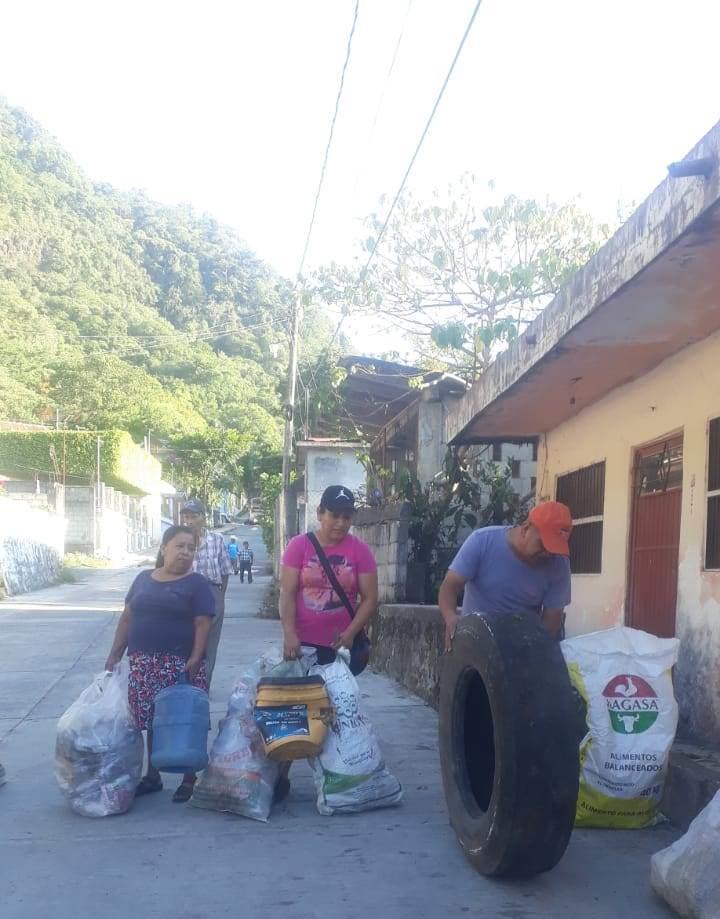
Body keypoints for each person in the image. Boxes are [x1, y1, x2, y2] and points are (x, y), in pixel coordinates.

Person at [277, 485, 378, 801]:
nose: (340, 523)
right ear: (320, 514)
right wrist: (289, 633)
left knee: (335, 713)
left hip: (339, 652)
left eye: (347, 517)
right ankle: (281, 777)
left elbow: (370, 598)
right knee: (295, 712)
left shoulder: (359, 551)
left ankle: (339, 775)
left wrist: (349, 634)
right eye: (334, 515)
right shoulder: (299, 546)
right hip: (302, 646)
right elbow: (287, 593)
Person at [104, 525, 215, 803]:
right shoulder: (143, 579)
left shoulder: (197, 584)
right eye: (180, 546)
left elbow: (203, 623)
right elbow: (127, 617)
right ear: (164, 547)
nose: (186, 552)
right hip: (144, 663)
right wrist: (115, 652)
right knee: (153, 721)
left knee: (184, 719)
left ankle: (189, 778)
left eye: (191, 548)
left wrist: (196, 657)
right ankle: (153, 776)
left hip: (179, 665)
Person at [438, 501, 573, 650]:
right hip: (475, 644)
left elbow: (551, 623)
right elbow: (449, 587)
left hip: (522, 649)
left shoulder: (559, 564)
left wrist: (534, 649)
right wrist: (450, 618)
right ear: (525, 529)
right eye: (542, 545)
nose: (547, 554)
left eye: (553, 549)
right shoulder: (482, 541)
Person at [179, 499, 233, 684]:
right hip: (185, 595)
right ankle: (184, 682)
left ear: (204, 518)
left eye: (194, 516)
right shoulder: (178, 542)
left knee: (209, 645)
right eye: (186, 517)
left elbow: (225, 571)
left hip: (212, 593)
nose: (189, 521)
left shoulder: (216, 540)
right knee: (186, 639)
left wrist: (219, 597)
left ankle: (203, 684)